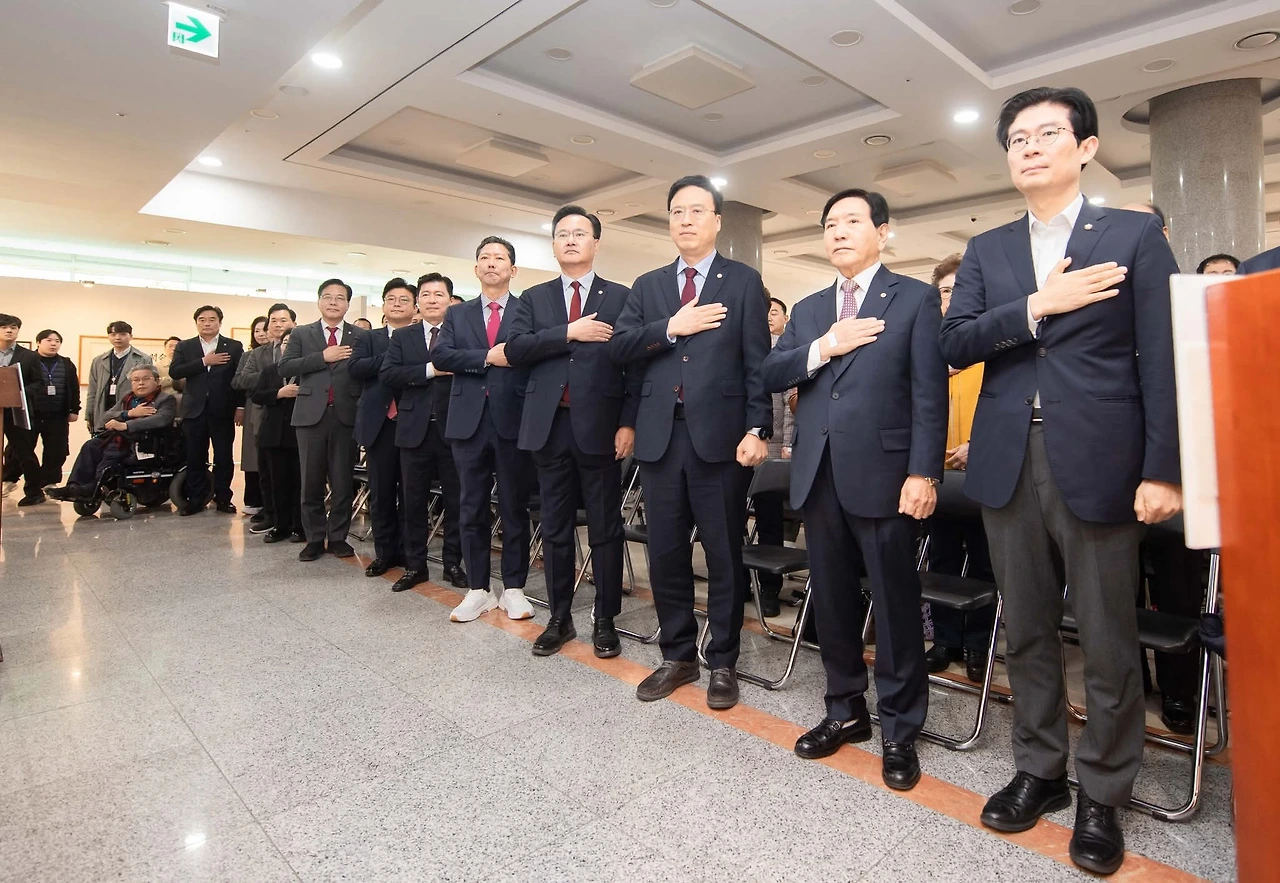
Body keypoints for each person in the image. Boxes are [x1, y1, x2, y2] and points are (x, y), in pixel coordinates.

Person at [939, 86, 1182, 876]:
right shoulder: (988, 249)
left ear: (1086, 147)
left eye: (1048, 133)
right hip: (1007, 456)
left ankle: (1102, 790)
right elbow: (956, 342)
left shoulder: (1133, 235)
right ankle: (1039, 768)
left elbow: (1165, 356)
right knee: (1027, 626)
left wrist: (1164, 468)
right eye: (1018, 138)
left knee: (1107, 635)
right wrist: (1037, 305)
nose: (1031, 147)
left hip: (1102, 456)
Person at [761, 188, 946, 790]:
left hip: (888, 475)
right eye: (830, 224)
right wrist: (824, 346)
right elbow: (771, 371)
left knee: (894, 605)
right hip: (820, 474)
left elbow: (929, 391)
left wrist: (924, 472)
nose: (838, 232)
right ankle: (844, 710)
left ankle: (900, 727)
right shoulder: (811, 308)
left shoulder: (914, 298)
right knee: (833, 600)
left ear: (882, 231)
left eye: (851, 221)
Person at [609, 174, 771, 710]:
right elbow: (622, 348)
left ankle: (723, 660)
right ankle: (678, 655)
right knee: (665, 552)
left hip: (721, 439)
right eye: (677, 211)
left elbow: (757, 362)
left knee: (723, 552)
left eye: (697, 211)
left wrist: (757, 427)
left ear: (717, 221)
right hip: (660, 438)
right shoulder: (649, 285)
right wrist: (671, 326)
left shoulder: (743, 281)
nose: (686, 219)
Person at [505, 205, 638, 658]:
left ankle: (605, 618)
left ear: (596, 243)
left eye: (580, 233)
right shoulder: (533, 298)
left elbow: (634, 365)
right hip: (549, 428)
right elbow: (516, 349)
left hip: (601, 427)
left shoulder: (621, 297)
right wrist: (569, 331)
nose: (571, 240)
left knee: (605, 527)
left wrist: (628, 422)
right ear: (553, 244)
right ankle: (559, 617)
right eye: (562, 233)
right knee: (556, 527)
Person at [432, 237, 536, 622]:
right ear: (476, 268)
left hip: (514, 418)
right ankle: (478, 589)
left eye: (500, 258)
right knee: (470, 506)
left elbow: (535, 354)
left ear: (513, 269)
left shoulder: (528, 310)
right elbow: (441, 355)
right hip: (468, 422)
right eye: (485, 258)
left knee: (513, 506)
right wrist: (487, 357)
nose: (492, 263)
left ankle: (514, 588)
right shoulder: (457, 314)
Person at [923, 255, 996, 681]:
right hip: (936, 474)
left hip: (984, 471)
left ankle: (979, 644)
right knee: (942, 560)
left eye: (959, 289)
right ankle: (946, 640)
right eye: (945, 291)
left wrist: (979, 445)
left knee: (985, 563)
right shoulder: (928, 345)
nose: (951, 298)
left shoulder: (992, 342)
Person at [381, 274, 468, 592]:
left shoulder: (462, 333)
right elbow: (389, 373)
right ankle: (415, 565)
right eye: (426, 294)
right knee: (412, 501)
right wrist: (431, 370)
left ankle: (453, 563)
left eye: (439, 294)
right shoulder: (403, 336)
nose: (432, 299)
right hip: (413, 429)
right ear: (418, 301)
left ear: (450, 300)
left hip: (455, 429)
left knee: (456, 500)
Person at [279, 279, 367, 561]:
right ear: (319, 301)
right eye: (327, 296)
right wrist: (322, 357)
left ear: (348, 304)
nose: (333, 302)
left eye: (340, 298)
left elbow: (366, 371)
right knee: (311, 481)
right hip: (310, 416)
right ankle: (315, 538)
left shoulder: (360, 335)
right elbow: (285, 366)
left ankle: (338, 537)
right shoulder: (301, 333)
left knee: (343, 481)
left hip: (346, 415)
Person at [350, 278, 418, 579]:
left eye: (404, 300)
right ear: (383, 305)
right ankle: (385, 553)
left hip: (412, 422)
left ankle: (410, 553)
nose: (397, 304)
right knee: (381, 492)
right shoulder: (368, 338)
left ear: (414, 306)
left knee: (412, 493)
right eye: (391, 299)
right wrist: (393, 355)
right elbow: (356, 368)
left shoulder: (421, 336)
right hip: (379, 424)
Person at [48, 365, 176, 501]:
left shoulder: (165, 399)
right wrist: (129, 413)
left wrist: (126, 425)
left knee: (112, 452)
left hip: (143, 442)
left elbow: (162, 419)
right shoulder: (128, 398)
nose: (141, 383)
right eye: (136, 380)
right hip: (119, 438)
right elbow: (106, 416)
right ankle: (74, 486)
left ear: (157, 381)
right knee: (91, 446)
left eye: (146, 379)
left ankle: (94, 488)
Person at [169, 305, 245, 515]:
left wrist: (240, 406)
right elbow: (175, 372)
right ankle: (196, 499)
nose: (207, 323)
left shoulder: (233, 346)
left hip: (223, 410)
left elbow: (239, 378)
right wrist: (204, 362)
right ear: (196, 323)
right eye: (202, 320)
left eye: (212, 319)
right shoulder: (185, 346)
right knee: (195, 456)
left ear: (220, 322)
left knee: (224, 457)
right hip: (194, 411)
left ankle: (223, 499)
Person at [754, 294, 795, 617]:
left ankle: (770, 587)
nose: (769, 316)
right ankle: (743, 583)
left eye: (775, 311)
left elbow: (790, 404)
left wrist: (789, 443)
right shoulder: (745, 343)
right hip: (739, 446)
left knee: (769, 519)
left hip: (773, 445)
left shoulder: (783, 350)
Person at [253, 319, 304, 544]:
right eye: (285, 342)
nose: (288, 346)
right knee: (276, 482)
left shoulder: (308, 371)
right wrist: (279, 393)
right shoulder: (270, 371)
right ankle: (280, 525)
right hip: (273, 434)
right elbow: (256, 395)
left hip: (299, 435)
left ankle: (299, 526)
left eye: (293, 343)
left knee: (299, 483)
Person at [233, 317, 279, 533]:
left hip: (285, 409)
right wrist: (268, 377)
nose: (261, 334)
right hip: (257, 406)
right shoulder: (251, 355)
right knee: (255, 457)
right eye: (257, 330)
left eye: (264, 329)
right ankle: (258, 503)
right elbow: (238, 381)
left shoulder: (290, 350)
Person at [0, 314, 45, 505]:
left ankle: (34, 492)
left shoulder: (29, 356)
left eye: (13, 327)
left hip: (17, 410)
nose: (9, 331)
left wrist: (18, 392)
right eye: (4, 327)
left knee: (24, 451)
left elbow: (39, 383)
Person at [28, 330, 81, 490]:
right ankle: (16, 480)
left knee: (57, 450)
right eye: (49, 340)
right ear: (38, 342)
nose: (53, 344)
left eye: (57, 341)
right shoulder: (28, 360)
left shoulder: (66, 363)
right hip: (31, 414)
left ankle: (49, 482)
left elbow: (74, 388)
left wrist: (74, 409)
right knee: (21, 450)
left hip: (57, 414)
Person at [86, 321, 151, 435]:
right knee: (100, 443)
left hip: (129, 410)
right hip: (103, 410)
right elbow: (92, 390)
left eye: (123, 334)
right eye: (113, 334)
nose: (117, 338)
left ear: (131, 336)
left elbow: (148, 389)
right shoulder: (99, 361)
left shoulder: (143, 359)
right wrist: (89, 415)